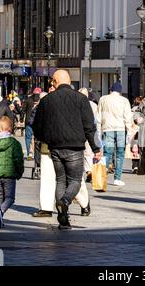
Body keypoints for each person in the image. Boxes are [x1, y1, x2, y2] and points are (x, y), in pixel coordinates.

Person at [32, 70, 101, 229]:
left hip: (55, 147)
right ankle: (65, 201)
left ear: (55, 82)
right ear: (69, 81)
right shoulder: (81, 99)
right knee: (75, 180)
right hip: (75, 147)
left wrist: (47, 139)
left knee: (60, 180)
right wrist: (96, 147)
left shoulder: (47, 100)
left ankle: (63, 217)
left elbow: (37, 126)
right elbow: (90, 127)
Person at [96, 81, 133, 186]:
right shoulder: (124, 100)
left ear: (110, 90)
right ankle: (117, 179)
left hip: (107, 129)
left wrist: (98, 131)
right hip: (121, 129)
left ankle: (103, 178)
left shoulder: (103, 99)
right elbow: (128, 117)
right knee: (120, 154)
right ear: (120, 91)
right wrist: (129, 131)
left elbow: (98, 116)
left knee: (107, 153)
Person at [79, 87, 98, 182]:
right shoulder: (93, 105)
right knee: (88, 152)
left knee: (83, 152)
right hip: (90, 131)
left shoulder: (76, 104)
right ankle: (89, 171)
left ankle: (87, 171)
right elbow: (98, 120)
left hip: (80, 131)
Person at [22, 87, 42, 160]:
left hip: (29, 122)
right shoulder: (42, 100)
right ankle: (38, 154)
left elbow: (23, 110)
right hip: (38, 122)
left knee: (28, 138)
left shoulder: (28, 100)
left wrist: (21, 119)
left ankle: (29, 153)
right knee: (37, 139)